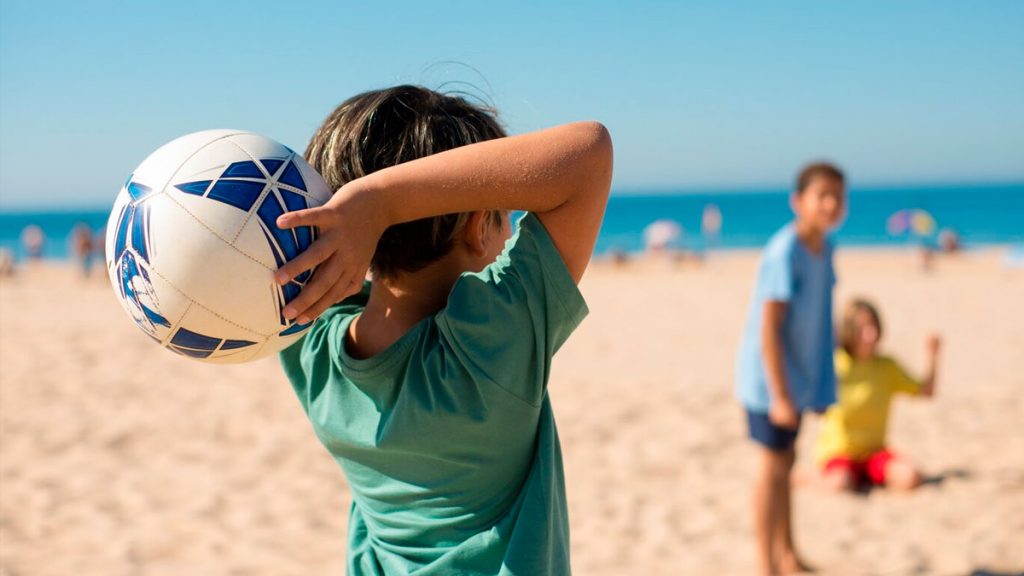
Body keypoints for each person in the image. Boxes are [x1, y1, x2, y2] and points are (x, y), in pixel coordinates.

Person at [273, 86, 612, 575]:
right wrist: (382, 203)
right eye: (506, 215)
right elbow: (590, 151)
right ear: (479, 227)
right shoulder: (488, 349)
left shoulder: (313, 349)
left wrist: (362, 210)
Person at [735, 162, 846, 575]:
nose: (832, 204)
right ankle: (767, 564)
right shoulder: (785, 251)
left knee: (788, 462)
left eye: (838, 196)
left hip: (800, 379)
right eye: (823, 195)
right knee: (771, 467)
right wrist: (780, 395)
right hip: (769, 381)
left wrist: (820, 384)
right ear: (799, 202)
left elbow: (821, 318)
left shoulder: (826, 248)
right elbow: (769, 328)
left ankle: (789, 553)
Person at [815, 299, 941, 492]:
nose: (870, 334)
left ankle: (869, 478)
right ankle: (805, 478)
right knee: (840, 484)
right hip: (840, 453)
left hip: (875, 452)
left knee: (910, 478)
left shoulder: (887, 366)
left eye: (872, 326)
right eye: (862, 328)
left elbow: (926, 391)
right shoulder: (836, 366)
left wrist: (933, 355)